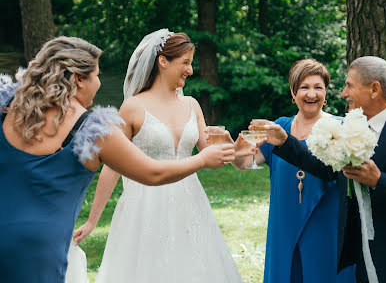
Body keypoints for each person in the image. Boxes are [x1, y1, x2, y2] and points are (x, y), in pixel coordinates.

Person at [0, 36, 234, 283]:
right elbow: (152, 173)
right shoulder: (93, 130)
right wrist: (202, 160)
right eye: (97, 75)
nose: (99, 83)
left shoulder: (5, 109)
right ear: (79, 79)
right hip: (40, 252)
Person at [73, 29, 245, 283]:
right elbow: (112, 166)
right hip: (144, 207)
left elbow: (210, 154)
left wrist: (235, 143)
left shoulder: (192, 104)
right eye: (185, 62)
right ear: (163, 61)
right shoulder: (133, 107)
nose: (190, 70)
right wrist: (92, 220)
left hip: (190, 204)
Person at [258, 56, 386, 283]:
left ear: (374, 89)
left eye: (349, 85)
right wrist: (285, 142)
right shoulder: (347, 131)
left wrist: (378, 181)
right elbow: (324, 169)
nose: (344, 93)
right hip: (358, 260)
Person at [232, 59, 355, 282]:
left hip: (325, 224)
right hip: (284, 223)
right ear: (293, 92)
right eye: (304, 87)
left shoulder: (340, 128)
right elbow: (245, 162)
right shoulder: (279, 127)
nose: (312, 94)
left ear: (326, 93)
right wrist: (237, 150)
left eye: (318, 87)